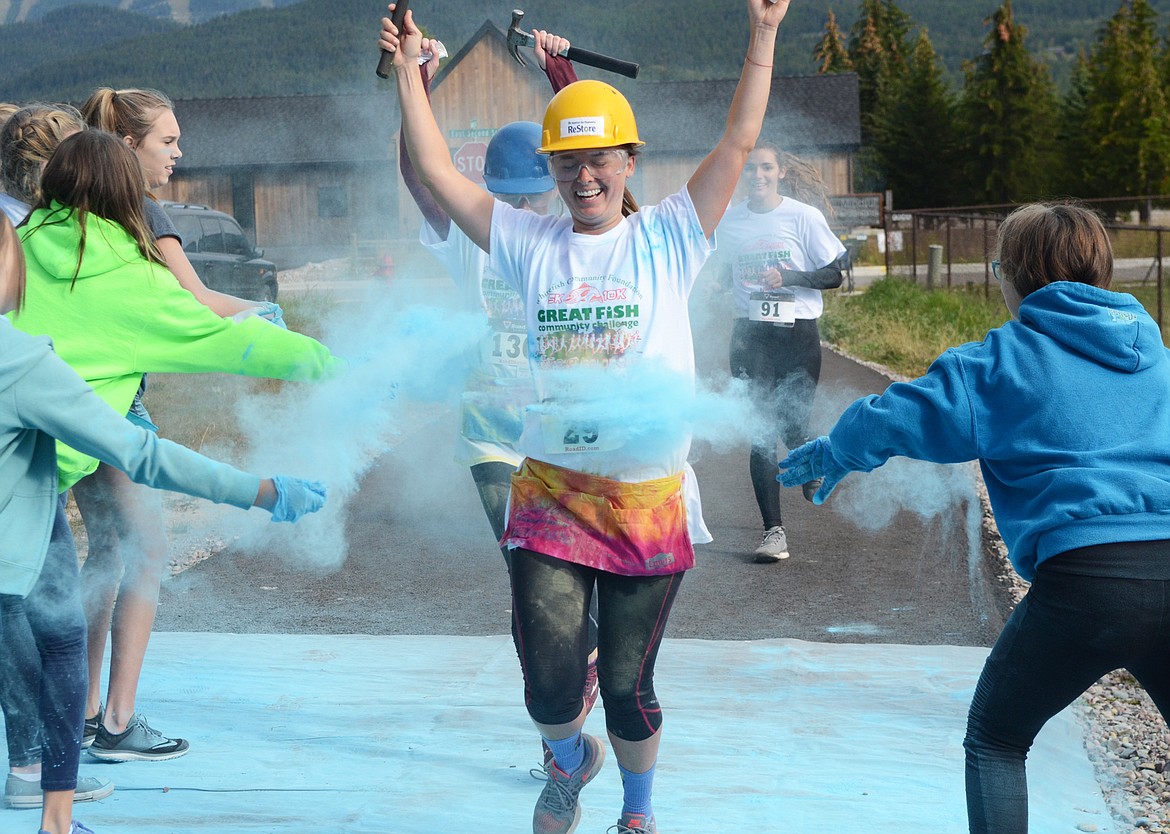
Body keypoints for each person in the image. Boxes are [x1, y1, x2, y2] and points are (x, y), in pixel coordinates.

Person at [381, 1, 791, 831]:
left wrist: (763, 33)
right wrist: (406, 74)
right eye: (567, 164)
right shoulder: (528, 243)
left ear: (629, 161)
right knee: (549, 684)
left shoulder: (671, 235)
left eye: (599, 160)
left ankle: (637, 815)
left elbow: (739, 142)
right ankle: (570, 762)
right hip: (552, 494)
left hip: (647, 499)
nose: (584, 177)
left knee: (630, 690)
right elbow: (432, 168)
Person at [778, 202, 1170, 834]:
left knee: (997, 737)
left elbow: (902, 415)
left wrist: (837, 450)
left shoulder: (1003, 359)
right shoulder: (1154, 353)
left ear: (1015, 277)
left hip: (1086, 581)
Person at [10, 129, 344, 764]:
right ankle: (58, 759)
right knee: (67, 611)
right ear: (124, 191)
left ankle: (54, 750)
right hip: (42, 473)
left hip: (18, 462)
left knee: (37, 611)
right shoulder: (127, 277)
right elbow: (230, 344)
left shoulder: (18, 245)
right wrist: (340, 367)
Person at [396, 29, 602, 773]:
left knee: (579, 584)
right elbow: (423, 174)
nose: (518, 207)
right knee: (527, 580)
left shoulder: (568, 234)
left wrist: (559, 72)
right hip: (489, 433)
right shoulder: (466, 234)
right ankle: (554, 716)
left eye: (529, 193)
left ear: (550, 180)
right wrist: (412, 77)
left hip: (568, 436)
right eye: (505, 196)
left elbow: (599, 153)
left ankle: (577, 663)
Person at [0, 101, 114, 812]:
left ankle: (34, 767)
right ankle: (37, 774)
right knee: (42, 614)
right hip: (22, 448)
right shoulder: (25, 236)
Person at [711, 141, 846, 562]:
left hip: (797, 335)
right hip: (750, 337)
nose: (758, 176)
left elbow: (835, 275)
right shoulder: (729, 223)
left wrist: (790, 275)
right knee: (759, 431)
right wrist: (712, 286)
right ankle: (774, 532)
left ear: (781, 172)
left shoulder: (803, 217)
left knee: (791, 427)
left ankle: (813, 463)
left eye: (766, 168)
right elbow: (719, 269)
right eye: (750, 169)